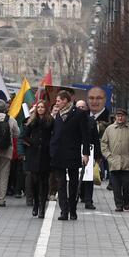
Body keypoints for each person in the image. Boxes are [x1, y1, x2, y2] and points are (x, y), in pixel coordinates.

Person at [49, 90, 90, 221]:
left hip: (72, 153)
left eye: (59, 100)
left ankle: (73, 209)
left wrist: (86, 154)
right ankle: (64, 211)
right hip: (58, 153)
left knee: (73, 183)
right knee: (60, 183)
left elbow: (85, 135)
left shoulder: (79, 114)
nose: (57, 103)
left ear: (66, 100)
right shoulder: (57, 115)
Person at [100, 108, 129, 212]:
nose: (120, 118)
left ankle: (126, 201)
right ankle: (119, 205)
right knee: (116, 186)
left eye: (122, 116)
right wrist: (108, 156)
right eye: (118, 116)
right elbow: (104, 143)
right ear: (115, 117)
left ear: (125, 117)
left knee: (126, 185)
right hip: (113, 162)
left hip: (126, 162)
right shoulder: (109, 129)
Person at [21, 101, 53, 218]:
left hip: (45, 155)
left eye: (42, 107)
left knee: (44, 182)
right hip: (33, 155)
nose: (40, 109)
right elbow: (23, 135)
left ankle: (42, 208)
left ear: (46, 108)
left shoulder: (50, 121)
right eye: (38, 107)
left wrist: (49, 145)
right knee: (34, 182)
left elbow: (54, 135)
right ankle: (35, 204)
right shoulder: (32, 121)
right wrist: (32, 143)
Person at [76, 99, 101, 210]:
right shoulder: (72, 120)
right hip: (75, 151)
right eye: (79, 107)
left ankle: (88, 200)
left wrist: (97, 156)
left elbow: (96, 139)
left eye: (83, 107)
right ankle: (78, 195)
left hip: (89, 152)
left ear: (86, 108)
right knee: (75, 176)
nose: (81, 109)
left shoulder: (91, 121)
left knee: (89, 177)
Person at [0, 99, 18, 209]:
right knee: (4, 175)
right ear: (5, 108)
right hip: (7, 151)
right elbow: (17, 134)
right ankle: (1, 199)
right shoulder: (11, 119)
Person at [87, 87, 110, 180]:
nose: (94, 101)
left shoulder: (110, 117)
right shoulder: (83, 116)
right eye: (91, 98)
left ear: (105, 100)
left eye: (98, 98)